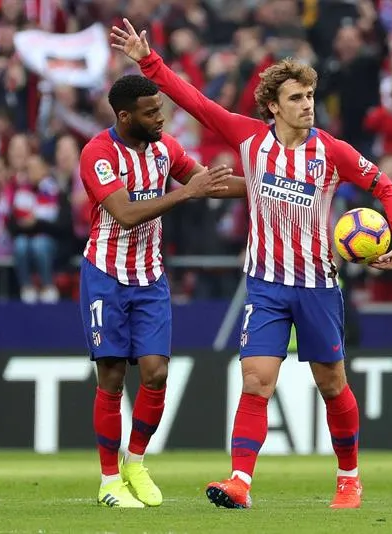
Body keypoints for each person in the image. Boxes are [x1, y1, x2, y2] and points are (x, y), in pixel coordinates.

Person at [110, 19, 392, 510]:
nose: (307, 105)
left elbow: (385, 187)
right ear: (273, 105)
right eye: (296, 98)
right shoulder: (250, 139)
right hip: (266, 286)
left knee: (332, 383)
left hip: (317, 285)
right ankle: (240, 482)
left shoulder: (330, 151)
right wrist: (149, 63)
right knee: (256, 381)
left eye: (310, 96)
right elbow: (198, 104)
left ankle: (349, 478)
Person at [78, 75, 246, 509]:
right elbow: (125, 213)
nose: (161, 117)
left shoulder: (165, 148)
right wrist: (184, 194)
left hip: (150, 278)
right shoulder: (98, 153)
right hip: (106, 276)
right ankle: (109, 481)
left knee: (155, 373)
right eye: (151, 112)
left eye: (161, 109)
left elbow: (206, 184)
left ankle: (134, 461)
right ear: (124, 115)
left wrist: (271, 188)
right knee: (112, 377)